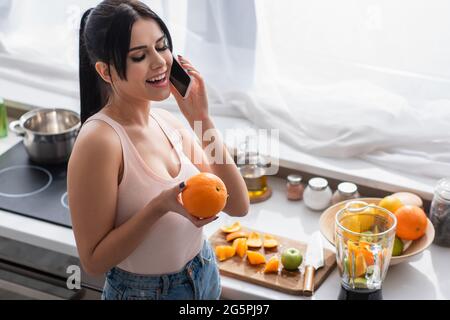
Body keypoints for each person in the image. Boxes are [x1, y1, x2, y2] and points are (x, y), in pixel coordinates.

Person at [67, 0, 249, 300]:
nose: (160, 62)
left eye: (161, 46)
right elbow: (93, 261)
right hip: (145, 293)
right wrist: (158, 208)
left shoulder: (167, 121)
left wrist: (202, 121)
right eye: (139, 55)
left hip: (203, 272)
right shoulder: (100, 141)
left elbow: (237, 204)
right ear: (105, 71)